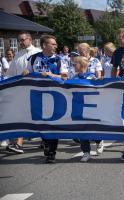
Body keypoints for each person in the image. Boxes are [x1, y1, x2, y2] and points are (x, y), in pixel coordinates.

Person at [24, 35, 68, 163]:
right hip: (37, 96)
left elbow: (65, 77)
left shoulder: (60, 59)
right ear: (44, 45)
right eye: (53, 44)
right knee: (41, 123)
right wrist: (26, 72)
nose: (56, 46)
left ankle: (51, 154)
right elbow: (27, 70)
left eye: (55, 44)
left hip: (55, 97)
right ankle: (46, 144)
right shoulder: (34, 58)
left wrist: (51, 75)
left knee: (53, 124)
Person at [6, 31, 41, 154]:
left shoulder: (37, 52)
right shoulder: (18, 55)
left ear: (30, 39)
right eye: (19, 40)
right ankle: (17, 143)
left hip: (34, 89)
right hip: (19, 90)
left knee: (36, 116)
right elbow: (10, 74)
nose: (20, 42)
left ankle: (44, 139)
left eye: (22, 40)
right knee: (21, 115)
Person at [70, 56, 102, 162]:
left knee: (93, 129)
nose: (73, 66)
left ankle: (99, 140)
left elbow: (98, 89)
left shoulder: (91, 77)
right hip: (78, 107)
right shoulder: (73, 78)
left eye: (75, 64)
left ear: (82, 65)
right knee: (81, 130)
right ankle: (86, 152)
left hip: (91, 108)